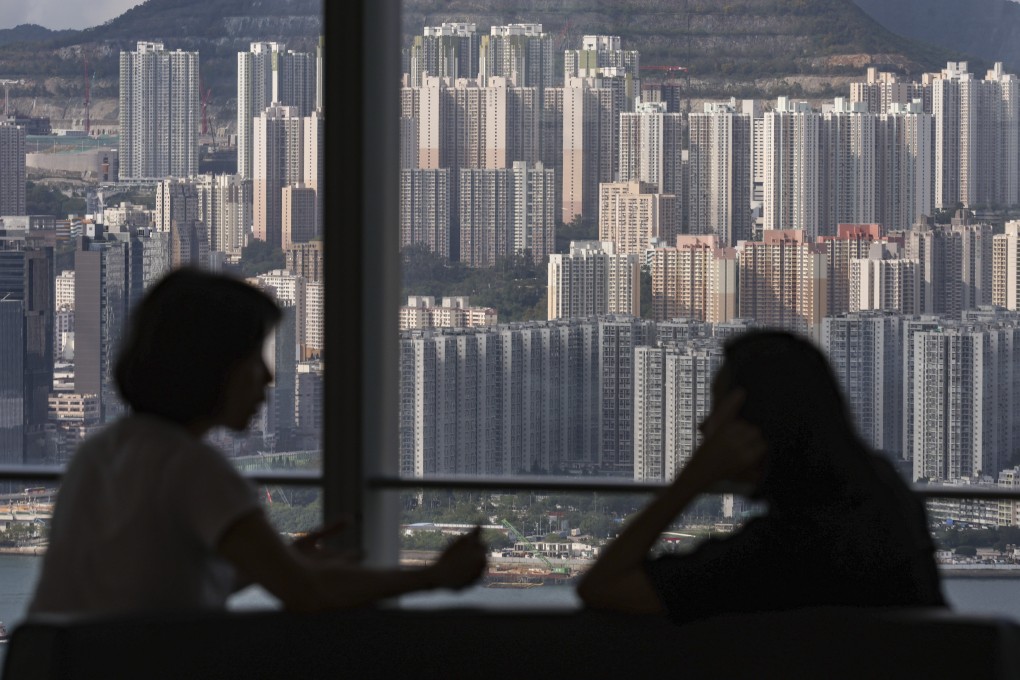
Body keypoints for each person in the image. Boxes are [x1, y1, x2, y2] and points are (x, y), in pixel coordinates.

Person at [29, 268, 487, 615]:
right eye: (253, 359)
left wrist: (270, 561)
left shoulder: (102, 452)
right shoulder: (192, 467)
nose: (267, 377)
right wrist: (434, 577)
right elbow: (308, 595)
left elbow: (147, 591)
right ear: (212, 367)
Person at [576, 330, 946, 624]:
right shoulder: (883, 495)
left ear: (755, 425)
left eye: (719, 410)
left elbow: (603, 586)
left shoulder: (780, 554)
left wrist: (691, 480)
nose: (705, 427)